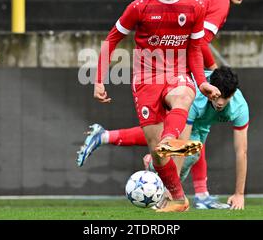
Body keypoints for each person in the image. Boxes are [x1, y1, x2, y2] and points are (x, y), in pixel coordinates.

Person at [94, 0, 221, 212]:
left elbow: (195, 50)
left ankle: (171, 138)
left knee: (184, 95)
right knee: (156, 153)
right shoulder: (139, 7)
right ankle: (178, 198)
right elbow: (111, 40)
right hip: (146, 79)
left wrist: (202, 82)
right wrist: (98, 80)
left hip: (177, 74)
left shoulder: (194, 5)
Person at [79, 67, 249, 210]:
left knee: (190, 152)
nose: (220, 102)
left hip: (200, 126)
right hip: (175, 103)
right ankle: (162, 178)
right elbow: (180, 144)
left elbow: (241, 151)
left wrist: (239, 194)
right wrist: (174, 192)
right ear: (210, 87)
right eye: (217, 96)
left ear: (232, 95)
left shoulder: (240, 108)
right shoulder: (196, 96)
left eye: (225, 98)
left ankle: (111, 139)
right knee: (181, 149)